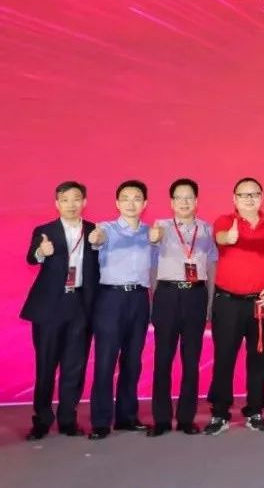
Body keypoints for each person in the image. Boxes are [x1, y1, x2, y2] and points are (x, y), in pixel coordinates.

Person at [22, 181, 99, 440]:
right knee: (46, 365)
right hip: (50, 307)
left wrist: (101, 244)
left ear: (84, 202)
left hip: (80, 304)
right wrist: (40, 252)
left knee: (74, 366)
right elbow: (31, 257)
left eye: (76, 199)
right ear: (57, 204)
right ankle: (42, 420)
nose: (71, 205)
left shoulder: (95, 231)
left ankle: (68, 419)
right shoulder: (45, 231)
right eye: (65, 200)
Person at [87, 180, 160, 440]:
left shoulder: (151, 233)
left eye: (137, 198)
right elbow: (97, 240)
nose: (131, 203)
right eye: (126, 198)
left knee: (132, 361)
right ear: (117, 203)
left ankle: (127, 417)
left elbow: (155, 268)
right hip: (111, 299)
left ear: (145, 203)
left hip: (139, 299)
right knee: (105, 361)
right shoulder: (105, 229)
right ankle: (100, 421)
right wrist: (96, 238)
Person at [205, 177, 264, 435]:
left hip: (260, 304)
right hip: (228, 303)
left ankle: (255, 410)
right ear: (234, 199)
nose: (249, 199)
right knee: (224, 358)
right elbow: (221, 237)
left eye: (254, 194)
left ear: (262, 197)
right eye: (244, 195)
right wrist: (231, 237)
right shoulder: (224, 221)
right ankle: (219, 413)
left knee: (259, 360)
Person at [147, 178, 218, 437]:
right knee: (162, 359)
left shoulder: (207, 230)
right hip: (167, 295)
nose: (184, 202)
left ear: (196, 201)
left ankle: (187, 418)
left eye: (189, 197)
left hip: (195, 296)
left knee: (191, 360)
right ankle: (161, 419)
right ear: (172, 202)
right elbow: (152, 266)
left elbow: (212, 266)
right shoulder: (160, 228)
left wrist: (210, 301)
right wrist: (153, 300)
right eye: (179, 197)